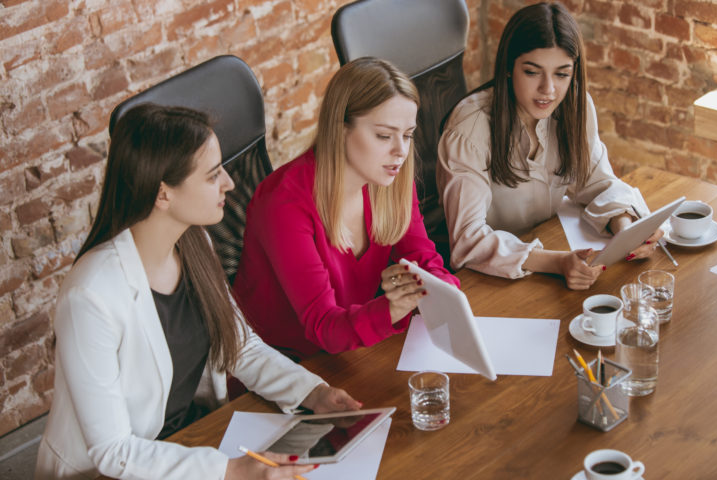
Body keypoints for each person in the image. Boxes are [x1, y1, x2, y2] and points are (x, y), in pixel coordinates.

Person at [35, 104, 361, 480]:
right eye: (212, 176)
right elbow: (114, 451)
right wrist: (232, 471)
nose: (230, 183)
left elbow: (239, 346)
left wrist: (312, 393)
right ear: (163, 195)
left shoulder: (195, 243)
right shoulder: (90, 296)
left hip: (190, 444)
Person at [233, 57, 459, 359]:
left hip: (351, 354)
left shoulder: (389, 178)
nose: (401, 151)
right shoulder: (282, 203)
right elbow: (324, 326)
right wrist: (396, 305)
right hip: (285, 369)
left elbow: (425, 259)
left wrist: (441, 290)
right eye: (383, 135)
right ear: (340, 130)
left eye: (407, 135)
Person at [437, 2, 662, 290]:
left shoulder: (574, 106)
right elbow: (468, 240)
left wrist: (626, 231)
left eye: (562, 74)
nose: (549, 90)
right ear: (509, 67)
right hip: (492, 279)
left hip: (549, 251)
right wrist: (557, 262)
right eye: (532, 72)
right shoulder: (469, 128)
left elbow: (597, 182)